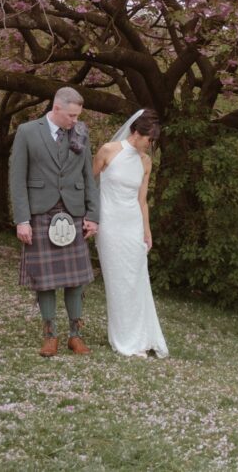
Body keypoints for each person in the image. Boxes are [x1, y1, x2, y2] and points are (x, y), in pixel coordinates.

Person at [9, 87, 99, 357]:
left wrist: (93, 215)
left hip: (74, 212)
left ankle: (75, 335)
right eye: (71, 115)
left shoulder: (81, 133)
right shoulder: (27, 132)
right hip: (40, 213)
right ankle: (50, 336)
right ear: (56, 108)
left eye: (77, 115)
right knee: (44, 280)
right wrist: (22, 219)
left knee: (76, 279)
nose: (75, 120)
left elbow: (88, 176)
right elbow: (17, 178)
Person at [93, 109, 169, 358]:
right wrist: (89, 217)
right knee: (118, 282)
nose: (150, 145)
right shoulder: (108, 150)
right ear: (136, 132)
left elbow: (142, 200)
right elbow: (87, 184)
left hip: (133, 225)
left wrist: (147, 231)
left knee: (137, 280)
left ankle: (143, 337)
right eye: (149, 140)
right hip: (109, 224)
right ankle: (125, 339)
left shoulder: (145, 162)